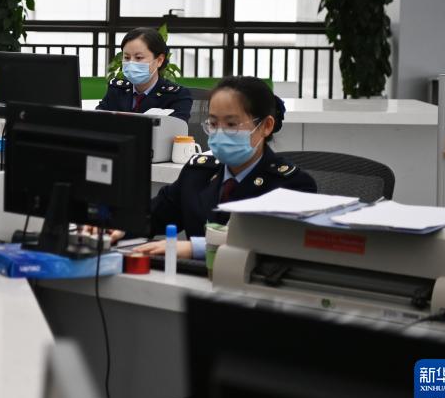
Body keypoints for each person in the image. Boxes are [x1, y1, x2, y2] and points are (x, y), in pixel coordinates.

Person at [133, 76, 317, 260]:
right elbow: (150, 217)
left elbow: (274, 244)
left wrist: (197, 248)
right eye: (213, 124)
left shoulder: (292, 185)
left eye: (231, 124)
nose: (219, 133)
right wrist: (121, 228)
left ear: (266, 126)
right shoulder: (197, 173)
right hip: (189, 275)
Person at [97, 27, 192, 122]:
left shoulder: (177, 96)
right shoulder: (116, 89)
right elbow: (97, 120)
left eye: (139, 58)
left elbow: (176, 128)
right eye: (126, 57)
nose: (131, 63)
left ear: (159, 60)